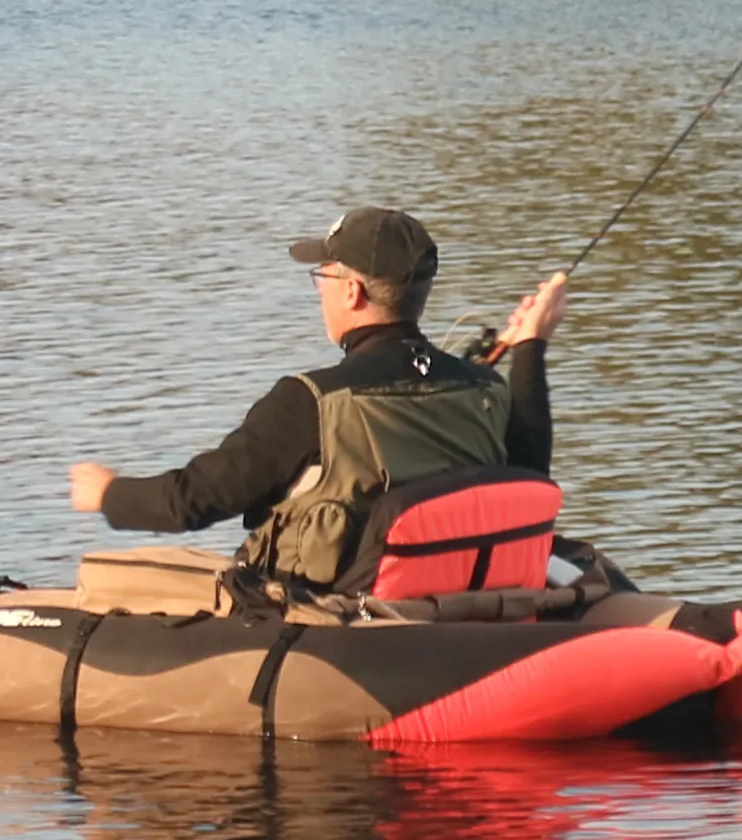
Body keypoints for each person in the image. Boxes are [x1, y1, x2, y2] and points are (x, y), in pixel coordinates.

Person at [66, 207, 572, 594]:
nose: (319, 291)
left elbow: (193, 501)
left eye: (323, 276)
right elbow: (529, 475)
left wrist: (109, 494)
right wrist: (531, 346)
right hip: (453, 598)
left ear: (352, 291)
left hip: (342, 614)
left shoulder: (308, 401)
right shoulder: (484, 388)